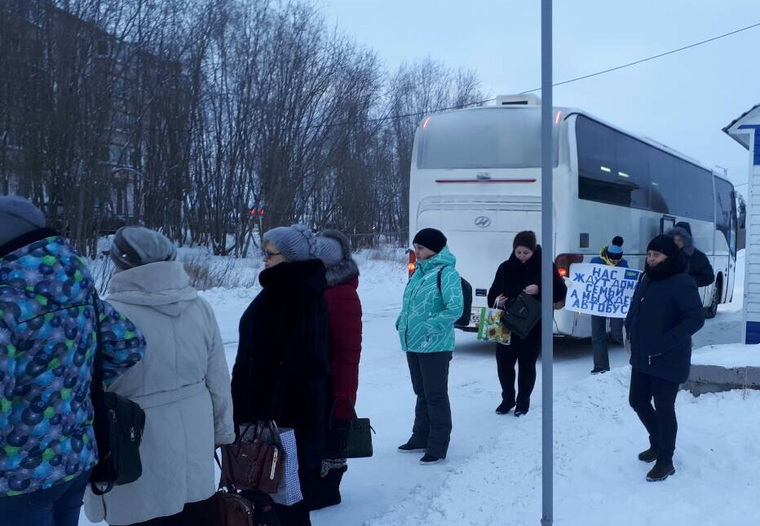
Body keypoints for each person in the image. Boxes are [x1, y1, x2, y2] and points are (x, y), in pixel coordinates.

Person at [0, 196, 146, 526]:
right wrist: (67, 386)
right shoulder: (74, 286)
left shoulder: (6, 300)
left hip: (18, 478)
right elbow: (128, 345)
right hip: (74, 458)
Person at [83, 227, 235, 525]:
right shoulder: (199, 307)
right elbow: (218, 380)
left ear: (119, 263)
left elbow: (91, 392)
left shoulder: (108, 315)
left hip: (133, 445)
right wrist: (221, 433)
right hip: (194, 438)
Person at [231, 225, 330, 526]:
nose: (265, 259)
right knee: (286, 492)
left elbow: (275, 362)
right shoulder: (303, 290)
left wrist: (252, 407)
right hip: (292, 414)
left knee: (279, 494)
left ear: (288, 257)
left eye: (270, 253)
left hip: (277, 418)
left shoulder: (286, 294)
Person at [625, 234, 704, 482]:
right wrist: (629, 327)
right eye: (649, 254)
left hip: (668, 359)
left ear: (669, 257)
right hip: (642, 356)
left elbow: (695, 318)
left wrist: (666, 342)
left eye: (656, 255)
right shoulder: (647, 278)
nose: (651, 259)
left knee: (664, 408)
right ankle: (656, 442)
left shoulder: (682, 282)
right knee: (637, 400)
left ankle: (666, 460)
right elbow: (636, 307)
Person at [395, 228, 463, 465]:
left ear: (434, 249)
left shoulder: (446, 273)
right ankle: (420, 436)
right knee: (421, 392)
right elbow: (411, 304)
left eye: (421, 248)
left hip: (435, 344)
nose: (417, 252)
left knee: (435, 395)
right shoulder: (419, 273)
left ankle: (438, 444)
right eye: (415, 247)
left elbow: (455, 308)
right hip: (413, 342)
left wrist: (428, 327)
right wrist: (402, 320)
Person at [307, 229, 363, 510]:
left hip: (334, 380)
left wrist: (343, 392)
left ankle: (328, 491)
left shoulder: (340, 294)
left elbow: (348, 349)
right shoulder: (323, 288)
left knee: (333, 433)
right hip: (321, 377)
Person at [487, 231, 567, 417]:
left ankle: (523, 402)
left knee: (526, 364)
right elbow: (493, 292)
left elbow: (560, 291)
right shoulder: (505, 267)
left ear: (533, 251)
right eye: (518, 252)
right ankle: (508, 398)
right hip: (505, 324)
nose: (521, 256)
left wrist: (540, 289)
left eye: (526, 253)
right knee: (504, 365)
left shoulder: (545, 266)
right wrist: (497, 300)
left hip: (532, 326)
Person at [589, 236, 629, 374]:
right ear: (607, 256)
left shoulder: (623, 264)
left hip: (614, 304)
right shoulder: (595, 262)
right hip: (597, 303)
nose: (615, 262)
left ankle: (637, 354)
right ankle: (600, 366)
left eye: (618, 260)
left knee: (618, 333)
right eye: (613, 259)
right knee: (597, 334)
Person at [668, 222, 714, 288]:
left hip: (687, 292)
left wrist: (689, 281)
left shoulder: (698, 256)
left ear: (686, 240)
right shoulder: (667, 253)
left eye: (679, 240)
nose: (676, 242)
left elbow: (709, 277)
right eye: (674, 239)